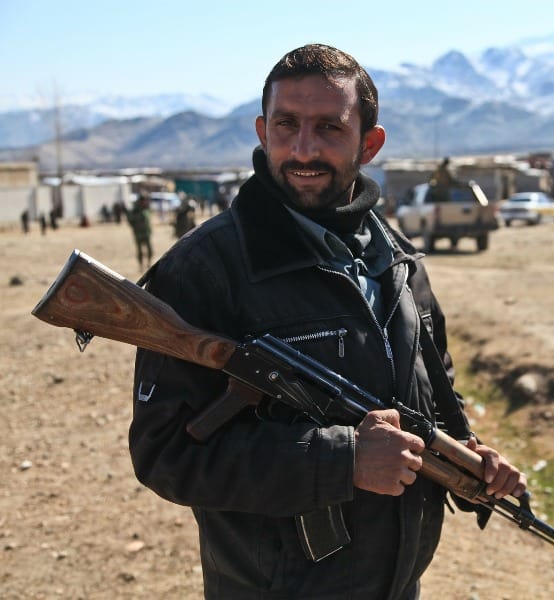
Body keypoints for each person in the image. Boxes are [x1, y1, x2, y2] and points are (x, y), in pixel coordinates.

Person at [128, 44, 526, 599]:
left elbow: (433, 399)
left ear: (370, 143)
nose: (303, 148)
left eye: (329, 129)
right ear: (263, 132)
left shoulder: (400, 261)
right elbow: (164, 454)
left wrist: (469, 460)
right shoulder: (204, 270)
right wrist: (343, 461)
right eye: (287, 125)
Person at [125, 193, 153, 269]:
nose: (145, 202)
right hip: (138, 234)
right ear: (140, 201)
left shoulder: (146, 209)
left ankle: (149, 263)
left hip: (146, 233)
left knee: (150, 250)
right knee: (140, 251)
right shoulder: (135, 210)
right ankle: (141, 265)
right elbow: (130, 221)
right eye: (144, 201)